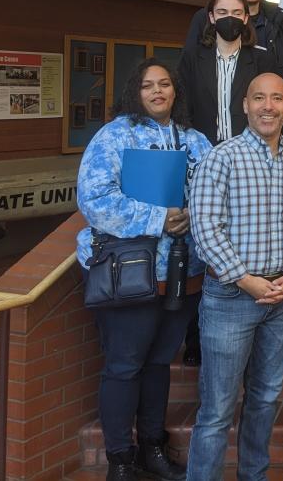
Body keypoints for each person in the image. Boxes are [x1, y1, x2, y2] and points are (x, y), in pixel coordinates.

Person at [77, 59, 212, 481]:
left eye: (165, 84)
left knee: (159, 364)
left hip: (182, 270)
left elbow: (215, 190)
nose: (157, 92)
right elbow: (94, 198)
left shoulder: (195, 140)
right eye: (148, 85)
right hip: (129, 271)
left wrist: (193, 213)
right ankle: (121, 460)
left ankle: (153, 447)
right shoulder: (115, 136)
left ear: (176, 91)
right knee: (124, 364)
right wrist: (159, 218)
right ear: (135, 92)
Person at [186, 73, 283, 481]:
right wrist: (246, 279)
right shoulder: (221, 157)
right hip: (231, 299)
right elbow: (205, 228)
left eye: (276, 99)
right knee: (217, 411)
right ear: (244, 105)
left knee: (264, 400)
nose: (268, 106)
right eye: (259, 98)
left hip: (282, 298)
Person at [177, 0, 278, 146]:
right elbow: (182, 105)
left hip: (249, 151)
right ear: (211, 17)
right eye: (222, 13)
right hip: (203, 149)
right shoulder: (192, 58)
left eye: (236, 13)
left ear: (245, 18)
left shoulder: (263, 59)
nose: (229, 18)